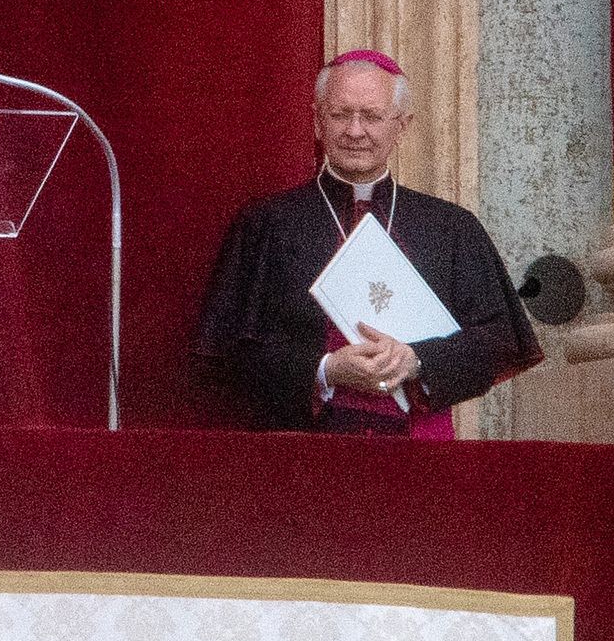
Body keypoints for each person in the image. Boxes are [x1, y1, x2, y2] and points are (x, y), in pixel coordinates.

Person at [194, 50, 541, 436]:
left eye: (372, 116)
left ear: (401, 126)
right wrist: (326, 370)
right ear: (317, 122)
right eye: (340, 115)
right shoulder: (267, 224)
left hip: (418, 453)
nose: (355, 131)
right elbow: (228, 354)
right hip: (301, 452)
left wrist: (416, 360)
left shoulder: (452, 228)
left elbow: (499, 341)